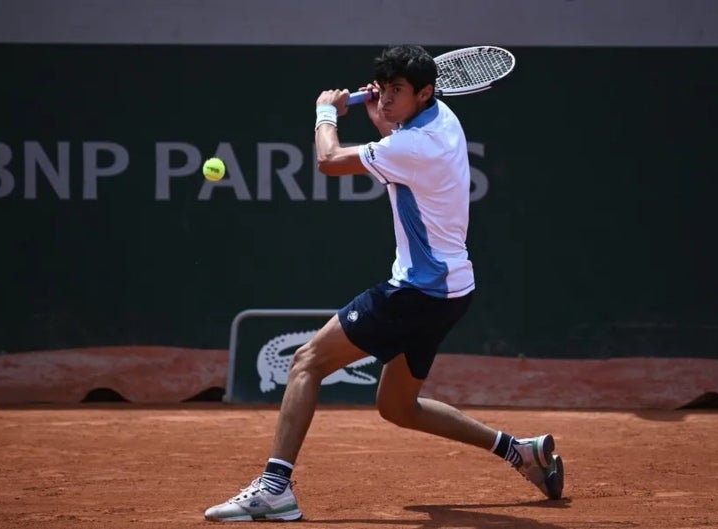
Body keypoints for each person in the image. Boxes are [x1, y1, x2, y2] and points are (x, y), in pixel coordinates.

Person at [204, 44, 564, 522]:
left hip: (417, 291)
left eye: (398, 91)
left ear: (425, 91)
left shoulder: (414, 146)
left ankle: (275, 488)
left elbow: (329, 161)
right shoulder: (441, 118)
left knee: (306, 363)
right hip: (451, 291)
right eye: (385, 89)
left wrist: (323, 113)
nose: (388, 99)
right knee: (398, 406)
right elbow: (399, 152)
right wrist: (381, 118)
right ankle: (519, 451)